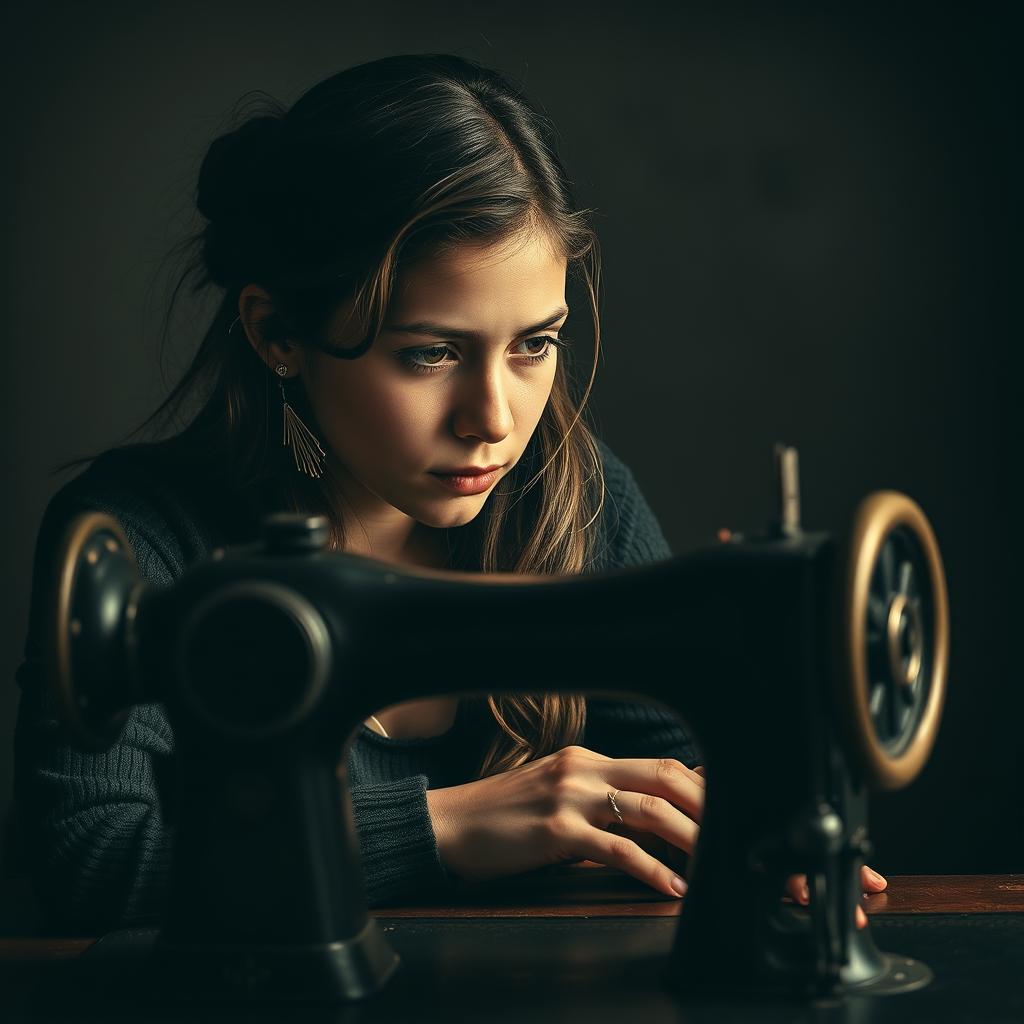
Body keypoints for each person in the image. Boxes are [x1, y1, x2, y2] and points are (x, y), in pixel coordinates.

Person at [10, 53, 885, 936]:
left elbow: (686, 785)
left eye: (534, 345)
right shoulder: (136, 539)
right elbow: (93, 861)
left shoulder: (573, 495)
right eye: (430, 353)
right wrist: (449, 825)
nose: (494, 419)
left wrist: (761, 820)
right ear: (278, 333)